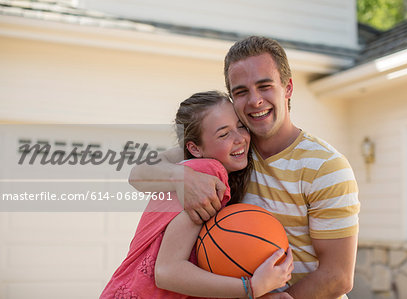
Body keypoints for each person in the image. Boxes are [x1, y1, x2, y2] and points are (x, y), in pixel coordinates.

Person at [129, 36, 360, 299]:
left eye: (264, 86)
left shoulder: (326, 166)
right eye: (241, 92)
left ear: (288, 88)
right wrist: (181, 176)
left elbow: (337, 276)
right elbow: (139, 174)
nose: (255, 100)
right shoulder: (230, 154)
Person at [101, 91, 294, 299]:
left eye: (240, 126)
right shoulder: (207, 171)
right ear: (194, 148)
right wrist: (251, 287)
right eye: (223, 134)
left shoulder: (196, 165)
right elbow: (167, 272)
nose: (239, 139)